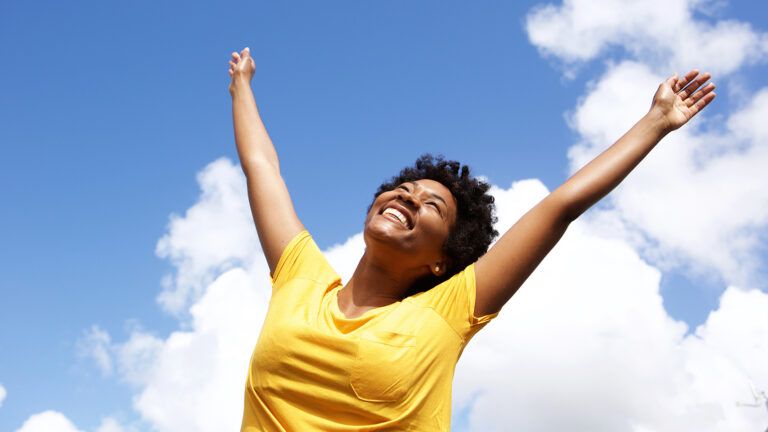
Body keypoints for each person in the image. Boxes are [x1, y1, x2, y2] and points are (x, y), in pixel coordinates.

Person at [227, 46, 716, 431]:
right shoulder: (301, 279)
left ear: (442, 261)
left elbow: (558, 208)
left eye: (432, 205)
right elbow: (262, 168)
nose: (408, 197)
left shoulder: (446, 311)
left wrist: (654, 123)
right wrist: (242, 87)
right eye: (404, 189)